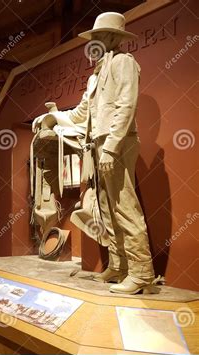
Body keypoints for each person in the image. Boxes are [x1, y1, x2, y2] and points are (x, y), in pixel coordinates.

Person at [63, 13, 155, 294]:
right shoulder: (93, 78)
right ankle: (119, 265)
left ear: (114, 39)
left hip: (117, 143)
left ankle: (142, 272)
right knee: (106, 207)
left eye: (101, 36)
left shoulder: (123, 63)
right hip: (98, 147)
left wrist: (112, 146)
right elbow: (80, 115)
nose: (95, 43)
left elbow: (127, 105)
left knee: (124, 205)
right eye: (94, 38)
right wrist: (54, 116)